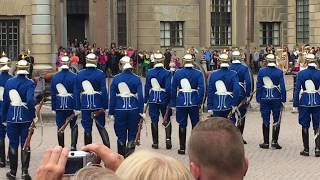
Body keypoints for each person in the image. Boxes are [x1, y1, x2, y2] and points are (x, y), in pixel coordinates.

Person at [3, 55, 35, 179]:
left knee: (13, 143)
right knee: (25, 143)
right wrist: (33, 116)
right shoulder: (29, 83)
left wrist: (4, 117)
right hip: (25, 117)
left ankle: (12, 172)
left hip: (11, 116)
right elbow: (30, 101)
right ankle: (24, 172)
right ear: (27, 68)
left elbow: (6, 102)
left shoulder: (9, 82)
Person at [108, 55, 143, 157]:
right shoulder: (137, 79)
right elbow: (140, 96)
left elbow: (112, 97)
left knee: (121, 135)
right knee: (132, 134)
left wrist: (111, 112)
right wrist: (141, 111)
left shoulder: (115, 79)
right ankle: (130, 159)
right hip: (134, 109)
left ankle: (121, 158)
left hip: (119, 109)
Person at [171, 52, 205, 155]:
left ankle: (182, 148)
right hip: (194, 101)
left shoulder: (178, 73)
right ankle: (195, 149)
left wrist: (174, 103)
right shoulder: (198, 73)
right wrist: (199, 101)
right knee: (195, 125)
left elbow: (173, 89)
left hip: (181, 102)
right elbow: (202, 89)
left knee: (182, 124)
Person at [74, 52, 110, 147]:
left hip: (85, 105)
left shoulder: (80, 74)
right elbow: (104, 91)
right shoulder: (100, 73)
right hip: (98, 104)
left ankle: (88, 152)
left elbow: (77, 92)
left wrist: (77, 107)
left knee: (87, 129)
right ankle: (108, 149)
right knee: (101, 127)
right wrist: (105, 106)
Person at [256, 54, 286, 150]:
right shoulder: (279, 72)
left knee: (265, 119)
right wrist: (283, 99)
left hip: (264, 98)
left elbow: (259, 86)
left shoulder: (261, 71)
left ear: (267, 61)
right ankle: (274, 142)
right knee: (276, 119)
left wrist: (258, 98)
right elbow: (282, 87)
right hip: (276, 98)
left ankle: (265, 142)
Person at [293, 53, 320, 157]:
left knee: (305, 125)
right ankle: (318, 149)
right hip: (317, 101)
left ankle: (306, 149)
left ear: (307, 62)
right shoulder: (319, 73)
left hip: (304, 101)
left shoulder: (301, 73)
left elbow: (297, 90)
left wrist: (296, 103)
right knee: (317, 125)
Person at [144, 51, 172, 149]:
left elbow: (147, 87)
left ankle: (155, 143)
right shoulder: (167, 73)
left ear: (155, 61)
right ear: (163, 61)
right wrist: (170, 99)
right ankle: (168, 140)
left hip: (152, 99)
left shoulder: (149, 72)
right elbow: (168, 88)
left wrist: (146, 99)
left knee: (154, 120)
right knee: (167, 119)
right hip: (164, 98)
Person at [51, 54, 78, 151]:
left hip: (59, 105)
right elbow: (76, 93)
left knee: (60, 126)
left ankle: (61, 147)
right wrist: (77, 106)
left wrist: (53, 107)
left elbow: (53, 93)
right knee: (73, 125)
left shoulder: (55, 77)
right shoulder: (74, 76)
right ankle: (73, 146)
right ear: (69, 63)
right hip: (71, 105)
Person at [229, 50, 253, 144]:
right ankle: (239, 137)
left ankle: (231, 137)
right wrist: (248, 95)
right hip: (241, 93)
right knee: (241, 115)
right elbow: (249, 82)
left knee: (231, 115)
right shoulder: (244, 68)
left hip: (230, 93)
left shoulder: (229, 67)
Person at [207, 53, 239, 118]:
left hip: (216, 106)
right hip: (229, 105)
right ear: (228, 62)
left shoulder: (213, 75)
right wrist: (234, 104)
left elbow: (210, 92)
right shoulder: (233, 74)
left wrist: (210, 107)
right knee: (230, 126)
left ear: (219, 62)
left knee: (216, 127)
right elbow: (236, 90)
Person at [0, 52, 12, 167]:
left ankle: (1, 160)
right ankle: (9, 158)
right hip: (9, 109)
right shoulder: (12, 79)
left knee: (0, 134)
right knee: (12, 134)